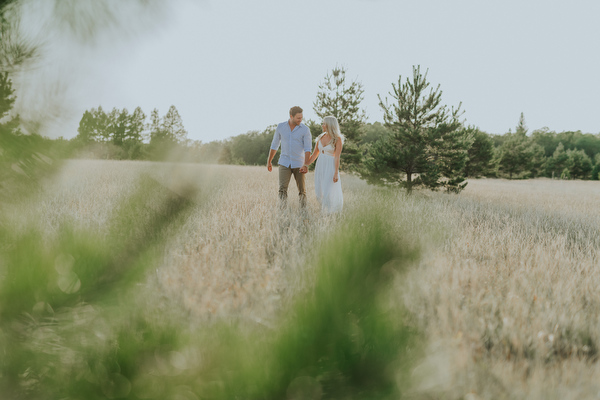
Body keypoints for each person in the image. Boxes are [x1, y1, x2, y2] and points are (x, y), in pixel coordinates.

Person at [267, 106, 312, 207]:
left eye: (301, 117)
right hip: (284, 162)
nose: (300, 120)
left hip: (299, 164)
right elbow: (274, 145)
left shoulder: (305, 130)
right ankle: (283, 212)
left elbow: (308, 149)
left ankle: (303, 211)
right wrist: (269, 161)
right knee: (282, 189)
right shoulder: (280, 127)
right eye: (298, 118)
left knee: (302, 191)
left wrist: (305, 164)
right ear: (291, 116)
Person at [301, 115, 344, 213]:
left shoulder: (337, 139)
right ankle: (323, 210)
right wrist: (306, 165)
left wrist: (336, 172)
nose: (322, 125)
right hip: (320, 165)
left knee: (328, 189)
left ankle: (329, 213)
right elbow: (315, 154)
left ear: (329, 125)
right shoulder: (320, 137)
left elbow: (337, 156)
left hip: (331, 166)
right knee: (319, 189)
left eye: (324, 123)